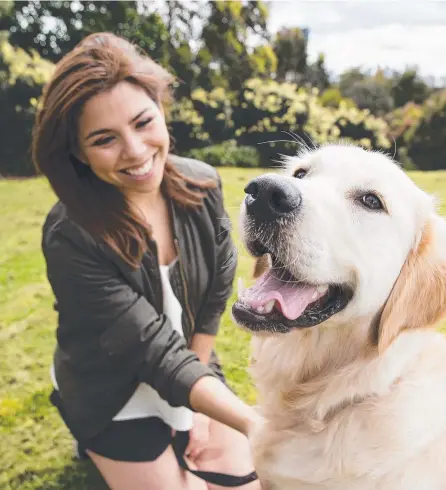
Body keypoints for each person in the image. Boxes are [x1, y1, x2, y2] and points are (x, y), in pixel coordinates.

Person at [32, 32, 262, 490]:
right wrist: (258, 424)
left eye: (142, 122)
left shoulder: (204, 185)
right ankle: (93, 436)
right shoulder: (70, 236)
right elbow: (149, 349)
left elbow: (216, 294)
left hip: (188, 363)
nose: (135, 151)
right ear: (78, 153)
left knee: (249, 485)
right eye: (104, 139)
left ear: (161, 110)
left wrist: (197, 408)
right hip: (113, 388)